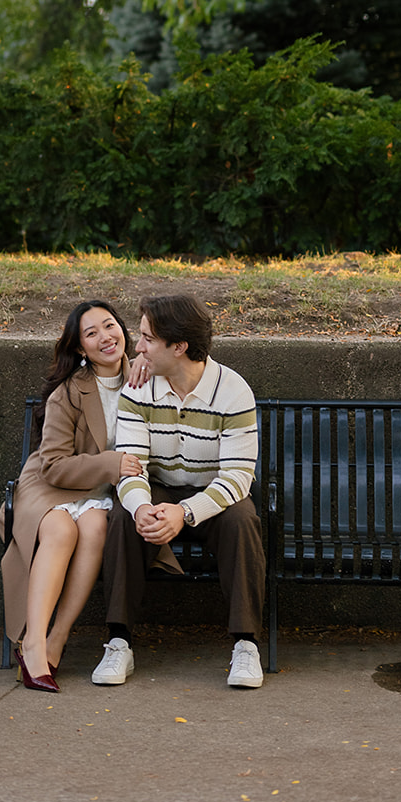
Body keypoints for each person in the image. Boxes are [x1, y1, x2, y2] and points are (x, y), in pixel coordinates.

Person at [91, 292, 266, 690]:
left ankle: (245, 644)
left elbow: (238, 477)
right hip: (158, 490)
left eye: (148, 339)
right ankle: (118, 642)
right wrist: (141, 508)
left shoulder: (233, 391)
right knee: (121, 516)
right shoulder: (138, 387)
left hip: (212, 494)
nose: (138, 347)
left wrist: (185, 513)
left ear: (179, 346)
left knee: (243, 518)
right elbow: (131, 465)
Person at [0, 300, 145, 692]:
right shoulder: (69, 392)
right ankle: (32, 643)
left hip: (98, 494)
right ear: (80, 349)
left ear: (123, 331)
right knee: (62, 532)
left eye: (109, 326)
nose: (105, 337)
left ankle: (57, 638)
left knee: (96, 526)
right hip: (49, 486)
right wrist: (111, 464)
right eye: (91, 333)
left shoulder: (144, 379)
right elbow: (54, 466)